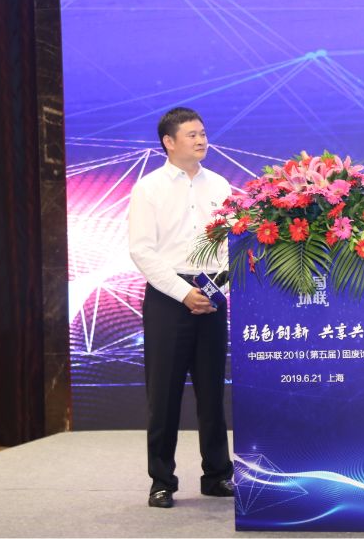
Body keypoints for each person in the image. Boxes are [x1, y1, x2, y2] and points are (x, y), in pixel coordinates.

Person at [128, 107, 234, 509]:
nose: (201, 140)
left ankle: (217, 476)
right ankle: (161, 481)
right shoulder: (149, 188)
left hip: (211, 294)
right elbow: (142, 250)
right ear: (169, 142)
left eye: (203, 133)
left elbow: (230, 244)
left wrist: (217, 289)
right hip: (167, 297)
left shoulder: (220, 184)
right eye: (192, 134)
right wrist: (182, 292)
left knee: (212, 391)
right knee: (164, 394)